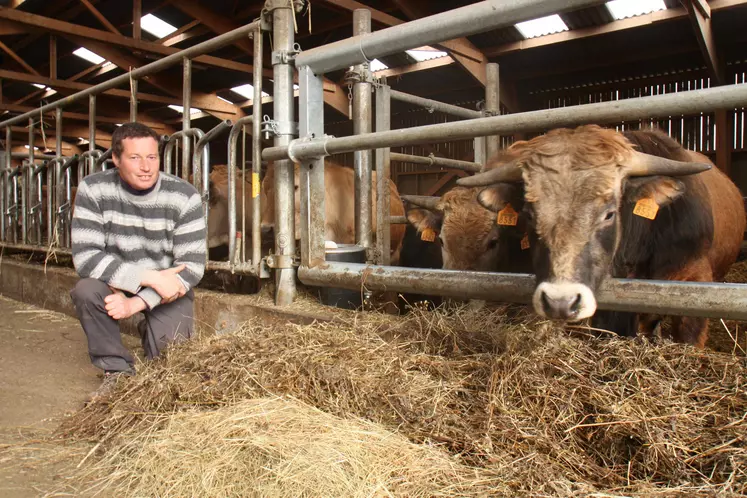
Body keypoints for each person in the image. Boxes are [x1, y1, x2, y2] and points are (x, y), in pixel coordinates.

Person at [70, 122, 206, 398]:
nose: (146, 167)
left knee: (171, 368)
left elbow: (191, 269)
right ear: (116, 160)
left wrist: (137, 303)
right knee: (86, 290)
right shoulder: (94, 189)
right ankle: (116, 370)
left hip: (166, 291)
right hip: (116, 284)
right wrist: (150, 277)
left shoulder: (184, 196)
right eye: (135, 158)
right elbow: (86, 258)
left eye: (152, 157)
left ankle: (152, 330)